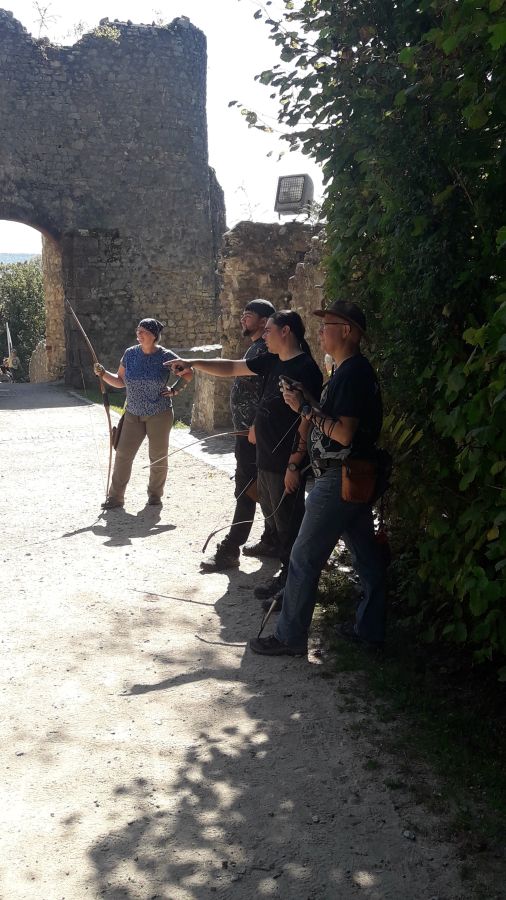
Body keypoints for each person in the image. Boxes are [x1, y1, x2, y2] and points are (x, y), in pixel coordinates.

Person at [249, 299, 386, 657]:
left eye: (328, 326)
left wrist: (305, 407)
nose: (321, 331)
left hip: (339, 477)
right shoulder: (348, 371)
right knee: (367, 558)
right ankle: (370, 630)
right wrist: (307, 399)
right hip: (352, 477)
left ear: (347, 332)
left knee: (303, 556)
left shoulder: (353, 374)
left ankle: (289, 637)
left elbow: (344, 434)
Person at [169, 310, 323, 596]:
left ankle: (292, 585)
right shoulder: (272, 360)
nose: (264, 336)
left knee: (289, 523)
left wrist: (294, 464)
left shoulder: (306, 368)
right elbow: (231, 367)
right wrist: (193, 363)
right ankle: (287, 580)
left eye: (269, 331)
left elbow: (308, 420)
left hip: (285, 462)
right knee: (277, 520)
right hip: (265, 456)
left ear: (286, 331)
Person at [201, 298, 278, 572]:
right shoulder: (257, 347)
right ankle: (272, 539)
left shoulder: (266, 351)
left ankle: (231, 549)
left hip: (254, 435)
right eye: (243, 314)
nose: (243, 318)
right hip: (248, 433)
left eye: (249, 315)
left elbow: (270, 392)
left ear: (264, 321)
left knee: (247, 489)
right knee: (260, 487)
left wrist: (256, 423)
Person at [94, 318, 190, 510]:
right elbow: (120, 381)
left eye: (143, 331)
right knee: (123, 454)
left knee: (158, 456)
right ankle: (115, 498)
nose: (139, 334)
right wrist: (103, 374)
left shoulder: (166, 357)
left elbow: (188, 373)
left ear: (153, 335)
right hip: (133, 413)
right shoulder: (130, 354)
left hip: (159, 413)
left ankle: (155, 496)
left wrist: (175, 390)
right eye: (138, 330)